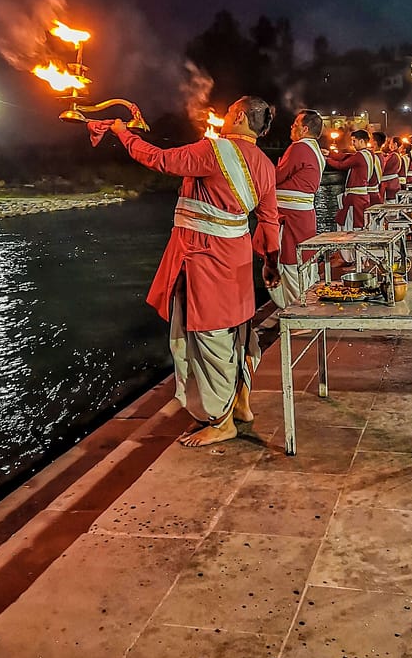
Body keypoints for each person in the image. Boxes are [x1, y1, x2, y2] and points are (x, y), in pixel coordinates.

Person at [93, 96, 280, 448]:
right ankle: (240, 406)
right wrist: (271, 263)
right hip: (238, 260)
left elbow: (158, 159)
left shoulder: (213, 152)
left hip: (206, 258)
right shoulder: (266, 165)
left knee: (209, 337)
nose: (224, 118)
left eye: (227, 112)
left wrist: (122, 133)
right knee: (237, 332)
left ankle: (220, 421)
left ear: (238, 115)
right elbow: (270, 221)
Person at [270, 109, 325, 308]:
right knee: (304, 261)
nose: (291, 128)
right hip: (304, 215)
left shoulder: (299, 147)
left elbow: (277, 177)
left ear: (305, 128)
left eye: (295, 125)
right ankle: (307, 304)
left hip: (291, 216)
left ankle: (298, 310)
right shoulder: (315, 150)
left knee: (290, 263)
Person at [327, 128, 374, 233]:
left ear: (361, 141)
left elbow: (341, 165)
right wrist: (330, 153)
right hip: (362, 194)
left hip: (355, 196)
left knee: (352, 223)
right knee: (360, 222)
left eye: (354, 141)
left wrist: (326, 159)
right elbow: (346, 156)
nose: (353, 144)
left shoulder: (359, 156)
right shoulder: (369, 154)